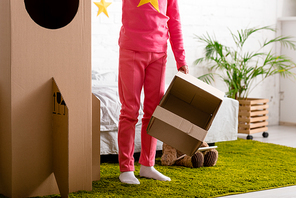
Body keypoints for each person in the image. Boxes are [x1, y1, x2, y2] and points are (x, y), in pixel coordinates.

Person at [117, 0, 189, 185]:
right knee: (129, 111)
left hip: (158, 53)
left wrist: (181, 59)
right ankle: (126, 168)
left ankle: (147, 166)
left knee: (154, 112)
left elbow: (174, 20)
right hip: (131, 50)